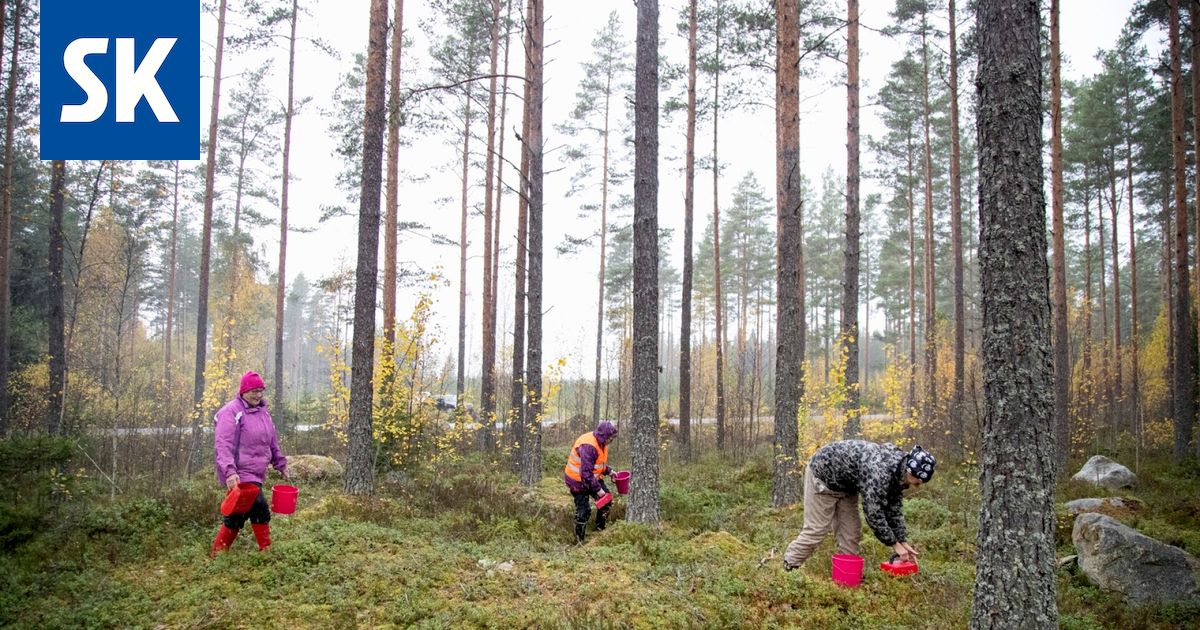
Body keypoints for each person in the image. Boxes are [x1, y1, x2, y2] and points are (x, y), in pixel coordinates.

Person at [783, 440, 935, 572]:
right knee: (816, 530)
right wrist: (894, 544)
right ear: (910, 471)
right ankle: (789, 566)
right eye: (917, 482)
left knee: (851, 534)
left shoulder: (898, 471)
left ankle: (845, 580)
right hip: (822, 477)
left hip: (847, 486)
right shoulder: (879, 472)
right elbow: (874, 514)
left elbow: (894, 508)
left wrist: (902, 540)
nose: (917, 486)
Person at [210, 371, 289, 556]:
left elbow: (272, 442)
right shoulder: (231, 412)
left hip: (257, 473)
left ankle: (218, 553)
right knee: (259, 505)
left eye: (260, 390)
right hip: (240, 472)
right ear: (243, 391)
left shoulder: (263, 413)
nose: (258, 395)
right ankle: (266, 550)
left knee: (238, 513)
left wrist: (280, 463)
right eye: (253, 391)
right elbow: (223, 444)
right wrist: (229, 472)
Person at [563, 421, 619, 543]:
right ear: (604, 436)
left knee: (606, 501)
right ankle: (579, 540)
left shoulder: (602, 443)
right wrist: (599, 491)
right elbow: (585, 474)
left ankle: (600, 529)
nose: (612, 441)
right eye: (611, 438)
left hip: (591, 478)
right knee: (584, 510)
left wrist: (609, 471)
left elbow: (598, 464)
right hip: (577, 481)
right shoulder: (589, 446)